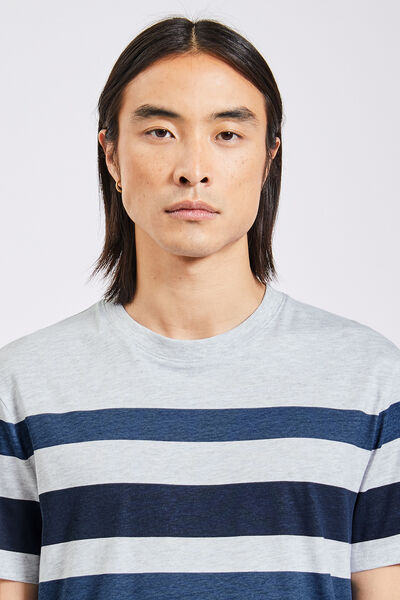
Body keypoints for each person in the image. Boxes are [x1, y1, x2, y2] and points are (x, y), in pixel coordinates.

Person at [0, 15, 399, 600]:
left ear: (269, 158)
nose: (193, 169)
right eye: (160, 131)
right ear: (111, 156)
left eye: (228, 134)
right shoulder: (24, 383)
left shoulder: (369, 379)